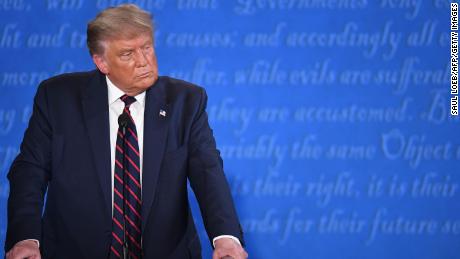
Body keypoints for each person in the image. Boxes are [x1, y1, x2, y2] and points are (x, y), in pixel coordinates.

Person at [5, 4, 248, 259]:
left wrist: (226, 238)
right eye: (127, 54)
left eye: (147, 47)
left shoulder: (186, 102)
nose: (144, 61)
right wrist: (25, 238)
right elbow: (31, 170)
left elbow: (208, 172)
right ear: (101, 62)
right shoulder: (58, 99)